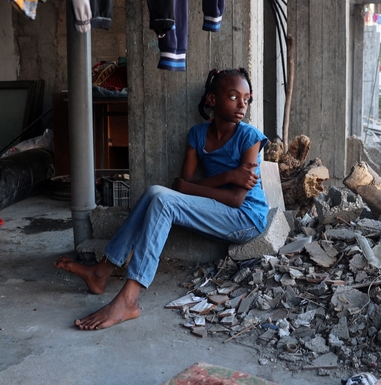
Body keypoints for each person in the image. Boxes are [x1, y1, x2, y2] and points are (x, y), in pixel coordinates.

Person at [53, 68, 268, 330]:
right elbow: (180, 185)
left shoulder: (250, 137)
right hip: (216, 207)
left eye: (247, 98)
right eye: (234, 96)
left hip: (245, 218)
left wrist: (200, 185)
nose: (242, 104)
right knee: (156, 192)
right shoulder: (198, 135)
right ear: (212, 100)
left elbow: (235, 199)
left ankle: (129, 299)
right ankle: (101, 272)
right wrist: (228, 175)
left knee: (164, 200)